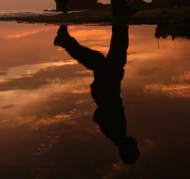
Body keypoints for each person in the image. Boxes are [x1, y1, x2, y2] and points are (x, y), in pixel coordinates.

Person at [54, 24, 140, 164]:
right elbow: (98, 117)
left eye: (135, 148)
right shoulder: (116, 135)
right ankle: (65, 40)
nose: (136, 143)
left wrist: (110, 89)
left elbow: (103, 114)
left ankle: (65, 41)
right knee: (101, 59)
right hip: (106, 89)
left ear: (127, 150)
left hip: (106, 89)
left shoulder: (117, 133)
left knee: (105, 58)